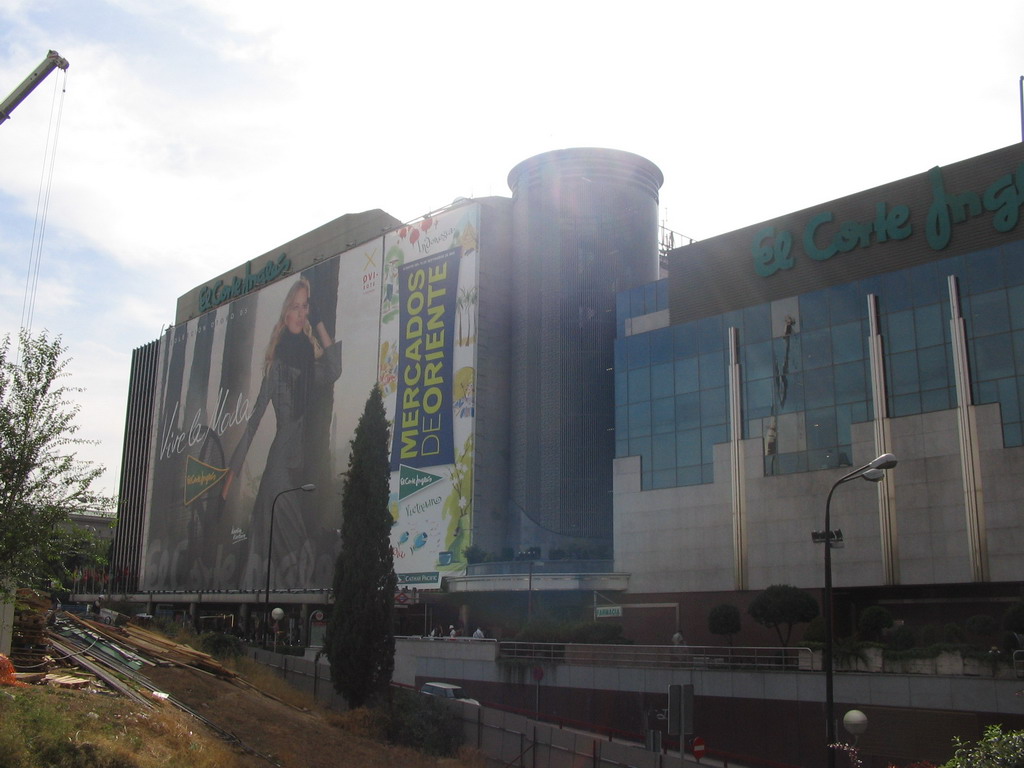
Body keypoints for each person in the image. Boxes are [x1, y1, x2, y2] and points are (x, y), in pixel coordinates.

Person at [223, 276, 343, 589]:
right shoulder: (277, 367)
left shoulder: (308, 366)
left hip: (298, 466)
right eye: (296, 307)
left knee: (288, 543)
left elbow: (334, 370)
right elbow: (254, 420)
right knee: (287, 538)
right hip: (279, 471)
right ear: (285, 313)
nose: (300, 313)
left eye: (306, 308)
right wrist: (232, 471)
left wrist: (318, 323)